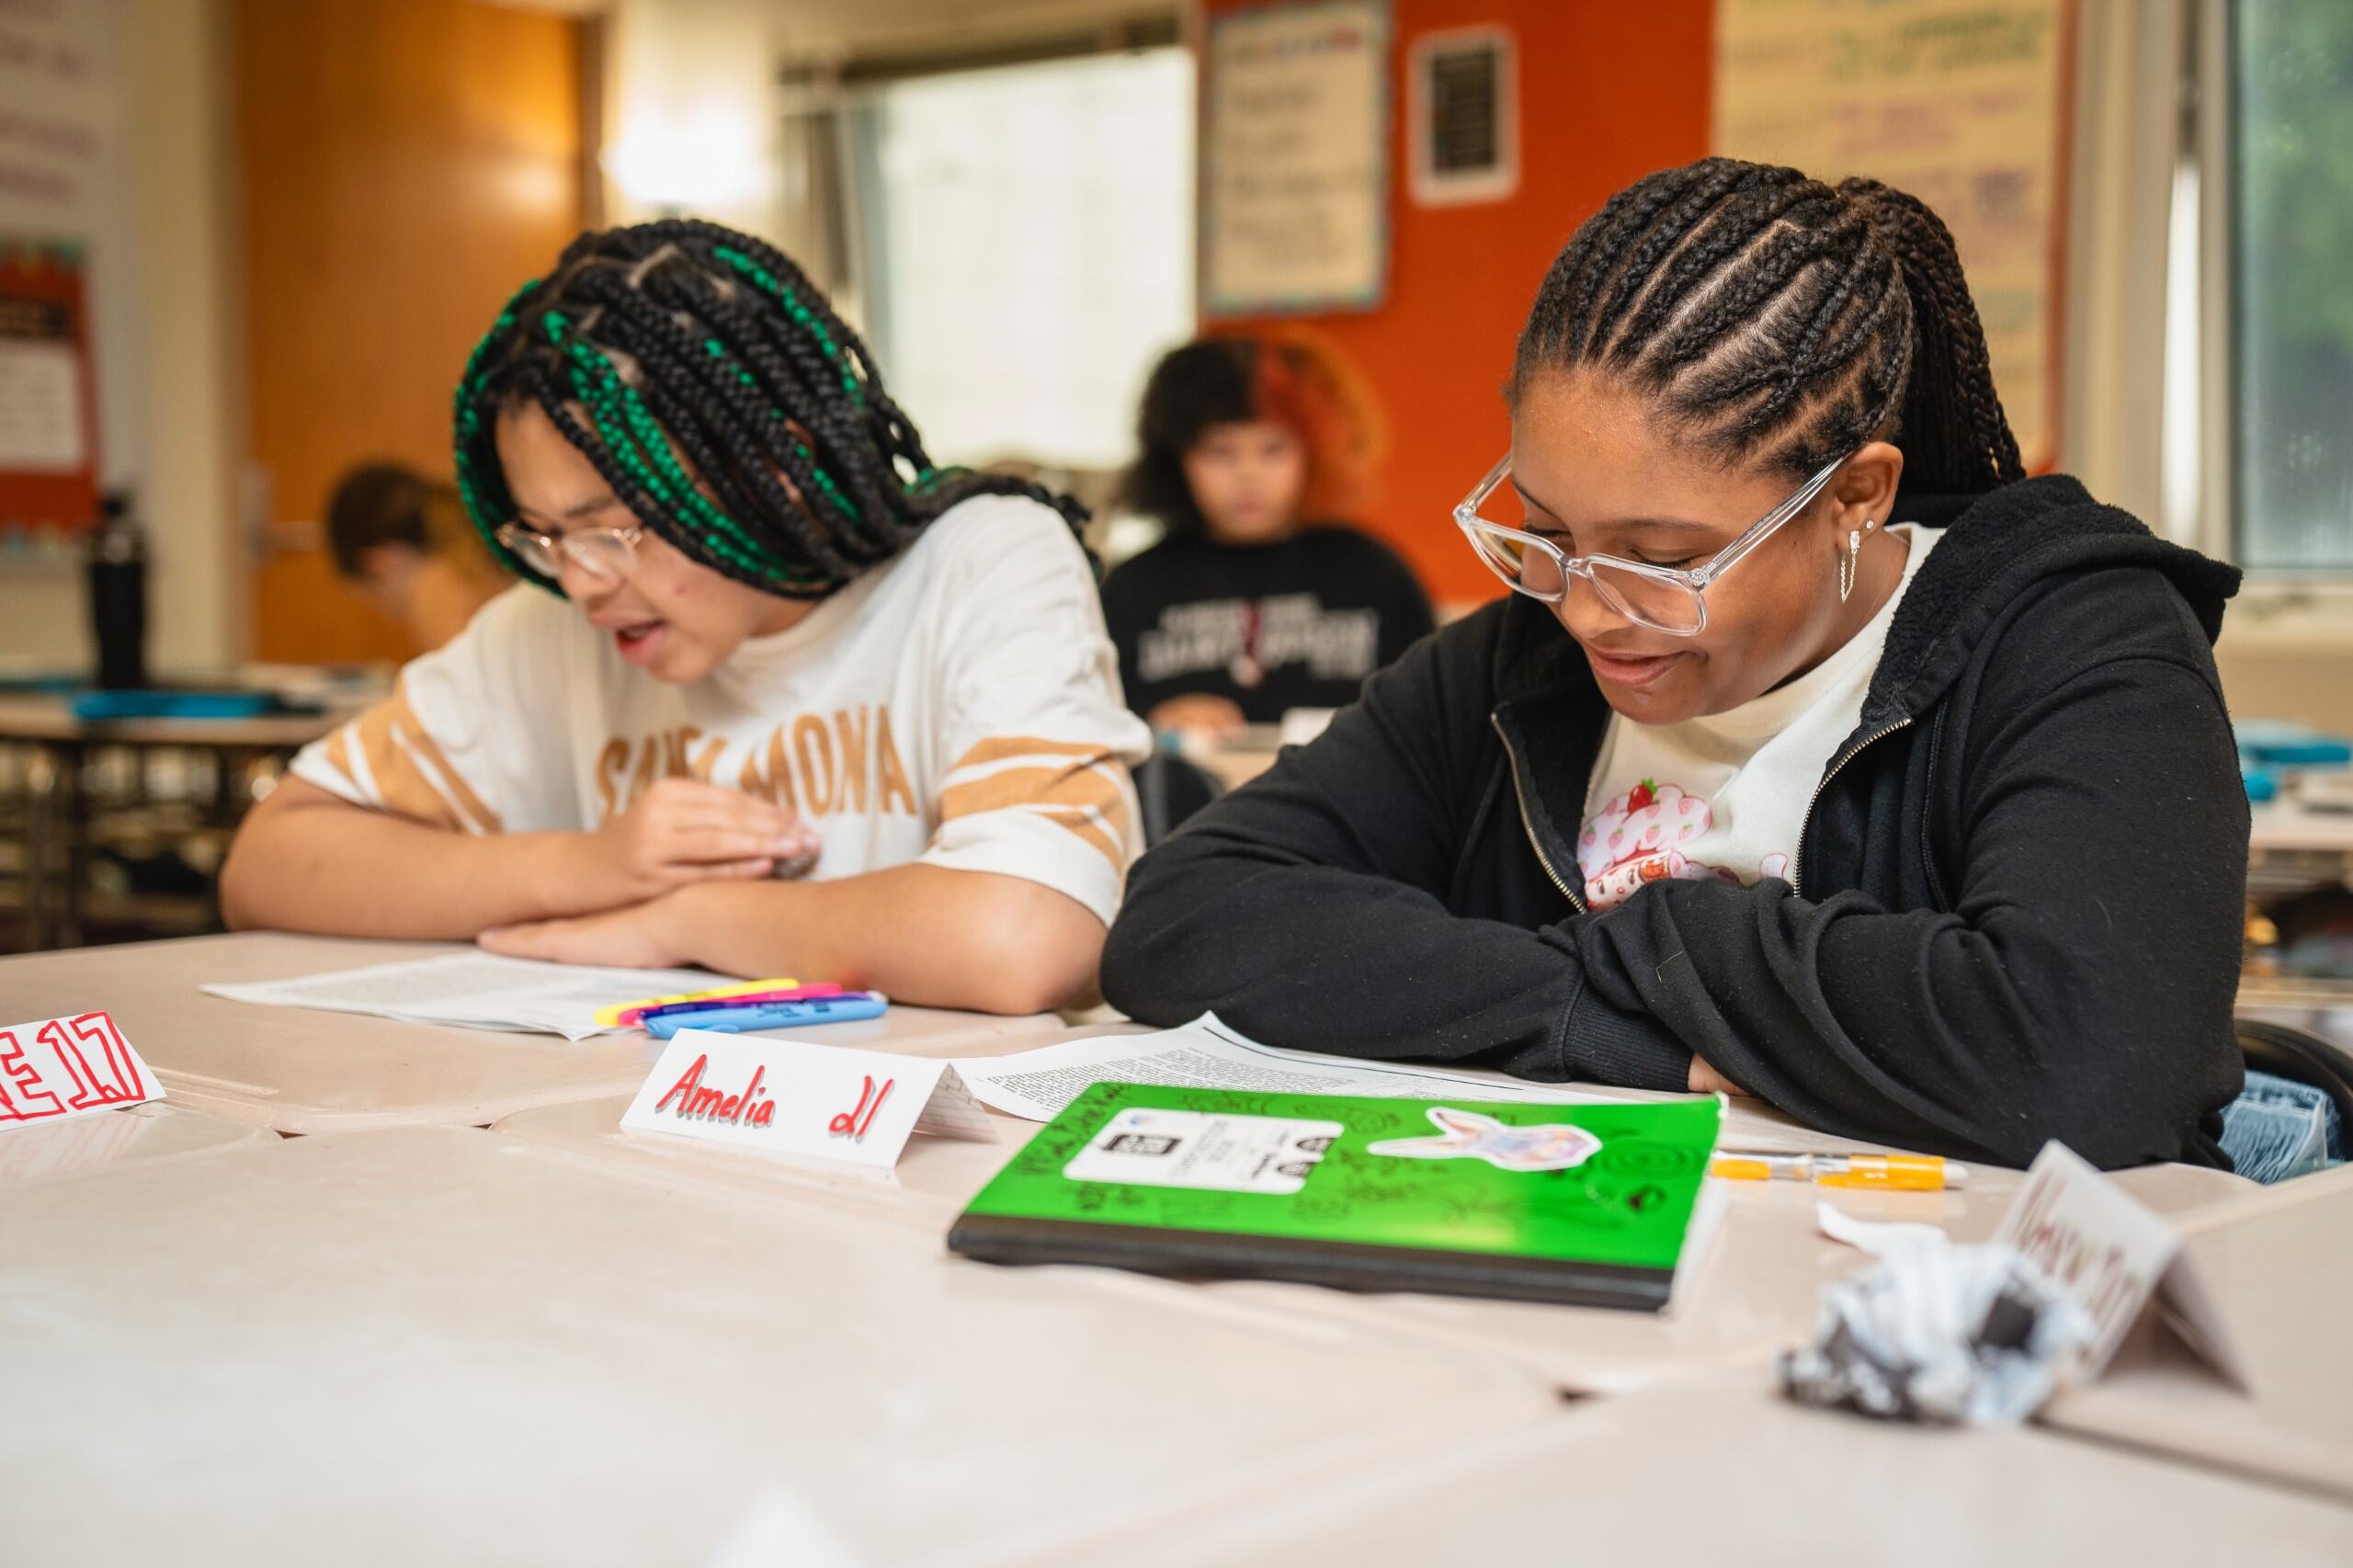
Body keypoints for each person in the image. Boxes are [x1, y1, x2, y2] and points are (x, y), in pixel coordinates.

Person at [1101, 158, 2248, 1168]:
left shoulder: (2072, 636)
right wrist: (1610, 1017)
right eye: (1546, 534)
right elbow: (1185, 918)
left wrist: (1664, 935)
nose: (1591, 611)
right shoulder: (1518, 669)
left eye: (1663, 558)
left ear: (1853, 495)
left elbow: (2098, 1061)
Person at [222, 220, 1149, 1015]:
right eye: (542, 536)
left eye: (610, 531)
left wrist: (687, 920)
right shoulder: (552, 625)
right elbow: (269, 861)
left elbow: (1029, 934)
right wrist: (590, 866)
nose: (580, 584)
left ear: (775, 466)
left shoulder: (980, 560)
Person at [1101, 332, 1435, 735]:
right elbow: (1093, 724)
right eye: (1220, 451)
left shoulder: (1376, 575)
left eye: (1273, 449)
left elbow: (1430, 717)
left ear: (1315, 453)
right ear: (1177, 459)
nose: (1248, 475)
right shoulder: (1134, 588)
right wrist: (1154, 722)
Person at [324, 461, 508, 651]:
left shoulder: (435, 603)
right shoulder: (475, 571)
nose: (388, 615)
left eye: (370, 597)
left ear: (377, 563)